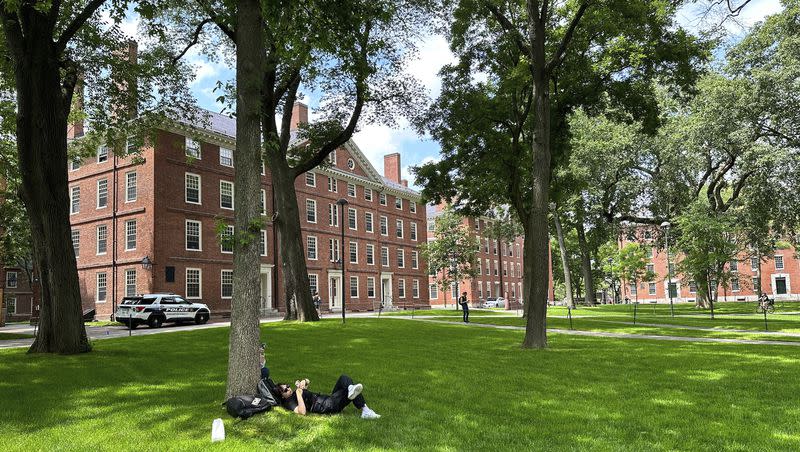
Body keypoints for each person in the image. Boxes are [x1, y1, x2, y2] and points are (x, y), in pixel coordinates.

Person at [276, 374, 380, 419]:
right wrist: (299, 394)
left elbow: (307, 388)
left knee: (344, 378)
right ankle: (365, 410)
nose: (289, 389)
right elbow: (302, 412)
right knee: (352, 389)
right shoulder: (289, 402)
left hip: (326, 399)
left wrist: (305, 382)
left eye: (288, 386)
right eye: (285, 390)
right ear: (282, 396)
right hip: (327, 405)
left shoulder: (293, 393)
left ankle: (350, 390)